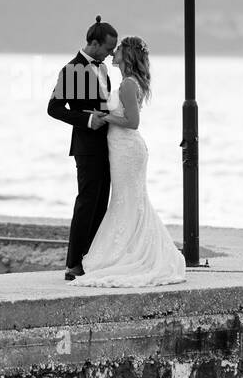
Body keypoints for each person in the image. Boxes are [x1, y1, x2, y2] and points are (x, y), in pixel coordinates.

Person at [72, 35, 186, 288]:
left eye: (119, 49)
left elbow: (132, 122)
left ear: (128, 55)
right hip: (121, 148)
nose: (114, 52)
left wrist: (103, 116)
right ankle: (129, 252)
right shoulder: (126, 82)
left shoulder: (128, 85)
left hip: (126, 148)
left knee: (129, 200)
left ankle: (132, 255)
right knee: (128, 200)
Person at [47, 16, 117, 280]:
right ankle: (72, 264)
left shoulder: (102, 69)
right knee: (87, 203)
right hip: (86, 147)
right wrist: (88, 120)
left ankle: (91, 259)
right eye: (109, 49)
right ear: (95, 44)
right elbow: (54, 109)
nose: (111, 55)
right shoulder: (73, 69)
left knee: (100, 204)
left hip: (108, 145)